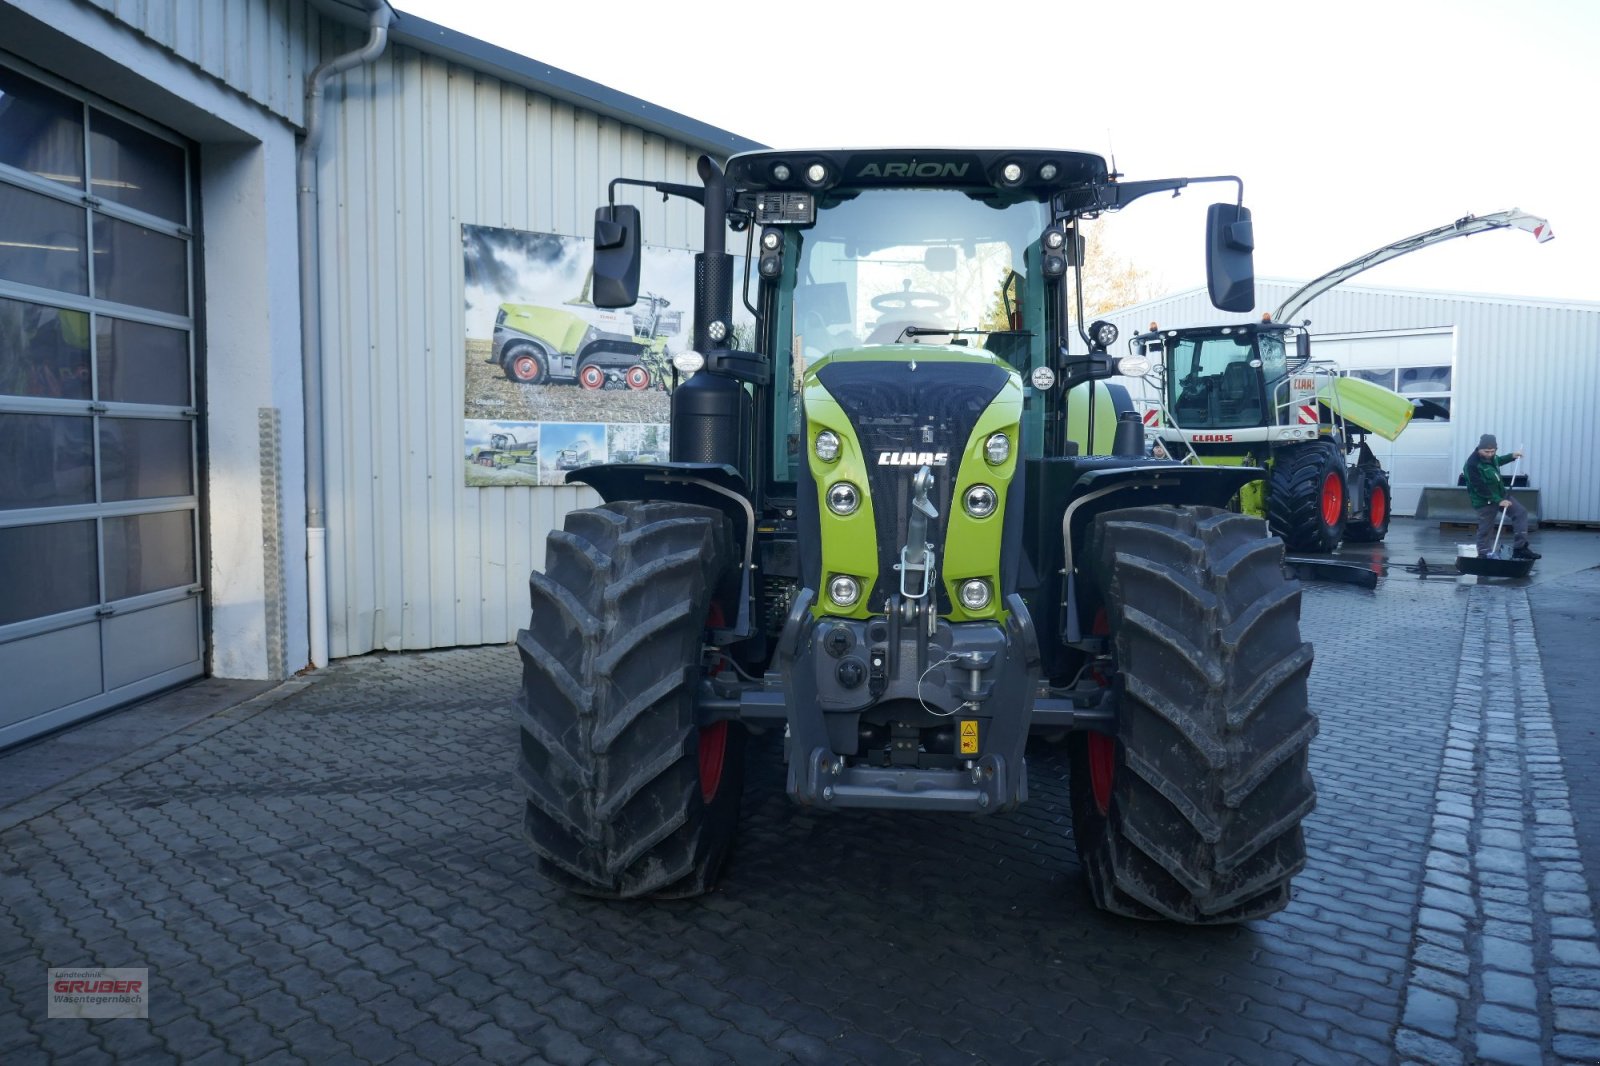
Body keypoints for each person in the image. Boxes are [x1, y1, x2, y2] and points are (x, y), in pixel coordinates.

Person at [1463, 434, 1540, 560]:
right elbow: (1479, 487)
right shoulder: (1472, 465)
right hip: (1484, 500)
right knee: (1486, 528)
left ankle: (1520, 548)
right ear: (1479, 449)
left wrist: (1512, 456)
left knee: (1520, 513)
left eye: (1492, 451)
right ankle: (1484, 554)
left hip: (1501, 494)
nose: (1489, 454)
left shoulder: (1492, 458)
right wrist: (1498, 501)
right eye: (1486, 451)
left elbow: (1498, 460)